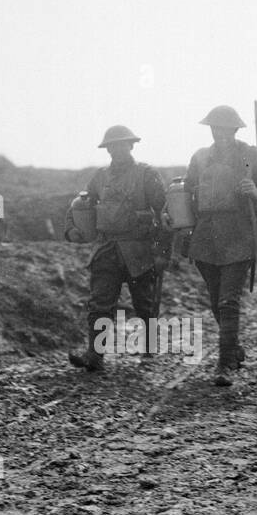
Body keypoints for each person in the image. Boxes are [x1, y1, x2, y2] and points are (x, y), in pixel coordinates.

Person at [182, 105, 257, 386]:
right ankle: (234, 348)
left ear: (236, 130)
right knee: (217, 301)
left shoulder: (254, 157)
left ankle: (225, 364)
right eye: (216, 129)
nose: (221, 134)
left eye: (226, 129)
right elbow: (188, 191)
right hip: (205, 237)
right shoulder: (200, 158)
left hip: (239, 234)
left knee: (228, 301)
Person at [65, 125, 168, 372]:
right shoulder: (100, 177)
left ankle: (150, 349)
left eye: (122, 144)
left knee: (145, 304)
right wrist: (71, 229)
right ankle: (95, 355)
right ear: (107, 149)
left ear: (131, 145)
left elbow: (166, 213)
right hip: (107, 249)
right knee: (100, 304)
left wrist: (163, 252)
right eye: (113, 145)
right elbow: (79, 205)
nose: (117, 149)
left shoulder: (147, 174)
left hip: (139, 249)